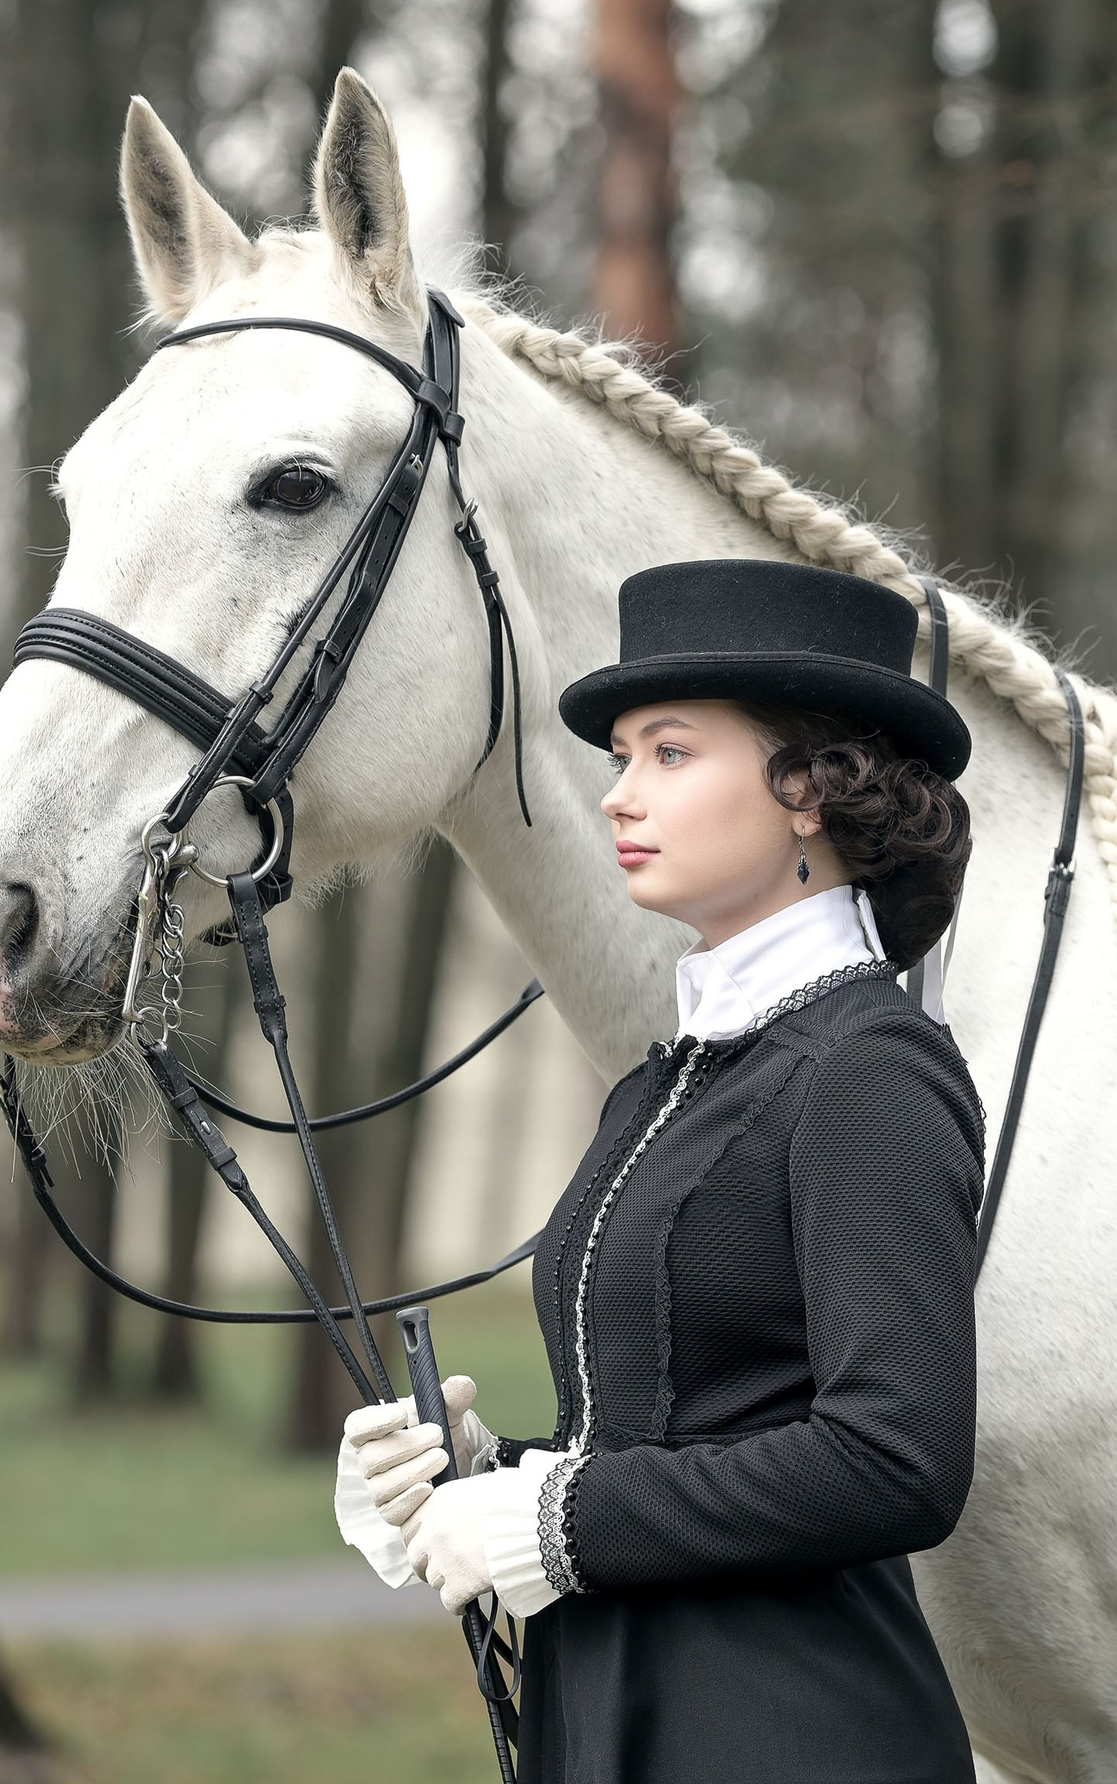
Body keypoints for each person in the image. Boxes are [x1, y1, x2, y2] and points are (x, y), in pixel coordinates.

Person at [333, 558, 986, 1781]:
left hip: (791, 1737)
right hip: (615, 1719)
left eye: (668, 754)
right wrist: (481, 1475)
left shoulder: (869, 1069)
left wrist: (555, 1520)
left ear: (809, 787)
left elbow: (897, 1456)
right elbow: (672, 1433)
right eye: (621, 757)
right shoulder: (667, 1080)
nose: (619, 797)